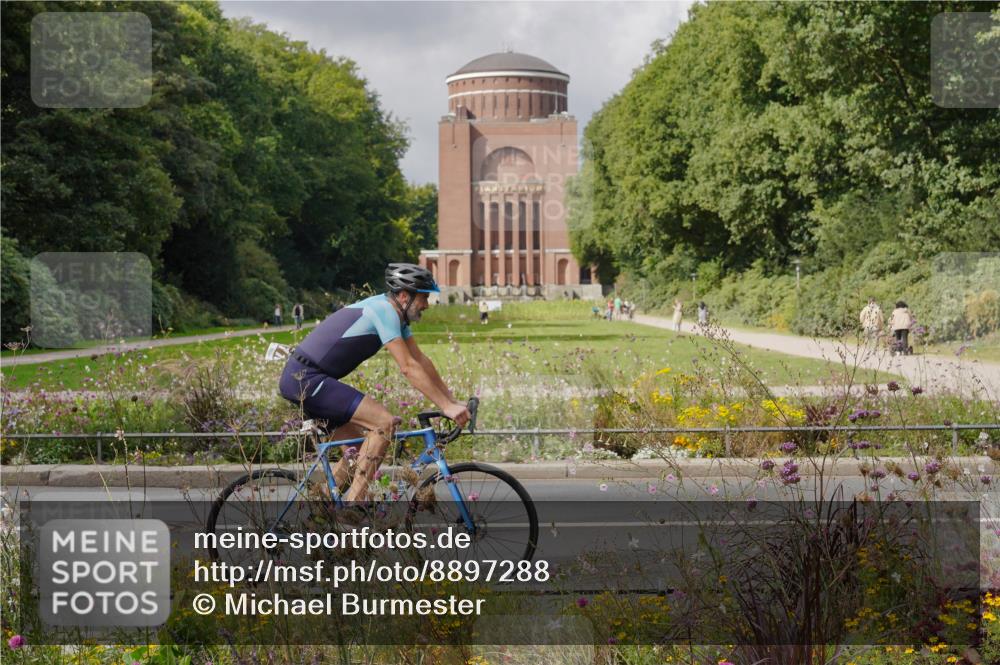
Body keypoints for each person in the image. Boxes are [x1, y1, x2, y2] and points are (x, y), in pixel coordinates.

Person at [278, 263, 470, 502]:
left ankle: (320, 514)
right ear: (403, 296)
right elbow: (408, 368)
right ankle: (352, 507)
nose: (426, 305)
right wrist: (446, 407)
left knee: (356, 454)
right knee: (383, 424)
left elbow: (420, 360)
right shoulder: (384, 310)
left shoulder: (395, 315)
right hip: (305, 378)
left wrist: (450, 401)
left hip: (308, 378)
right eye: (423, 298)